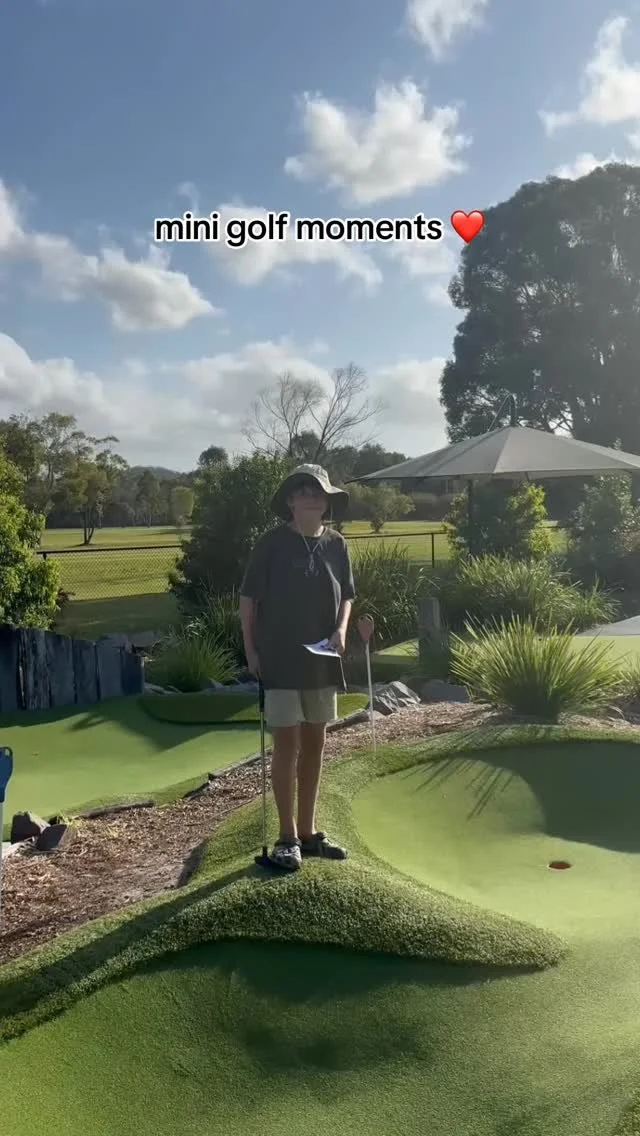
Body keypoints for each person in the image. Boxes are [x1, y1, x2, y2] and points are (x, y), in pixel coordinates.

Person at [239, 464, 356, 871]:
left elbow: (347, 596)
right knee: (287, 745)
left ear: (327, 502)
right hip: (280, 659)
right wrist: (251, 651)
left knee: (316, 743)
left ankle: (308, 832)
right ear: (290, 501)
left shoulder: (337, 545)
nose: (311, 497)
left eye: (318, 492)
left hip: (322, 660)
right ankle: (287, 836)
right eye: (302, 491)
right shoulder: (271, 544)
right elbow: (248, 602)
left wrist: (342, 630)